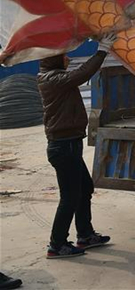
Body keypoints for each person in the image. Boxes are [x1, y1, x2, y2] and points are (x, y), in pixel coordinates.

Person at [38, 35, 115, 259]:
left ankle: (85, 235)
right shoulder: (51, 79)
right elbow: (81, 75)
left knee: (84, 189)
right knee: (70, 196)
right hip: (63, 146)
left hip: (69, 144)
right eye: (64, 56)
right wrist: (102, 51)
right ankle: (57, 244)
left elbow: (76, 74)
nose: (68, 58)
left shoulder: (55, 76)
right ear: (54, 60)